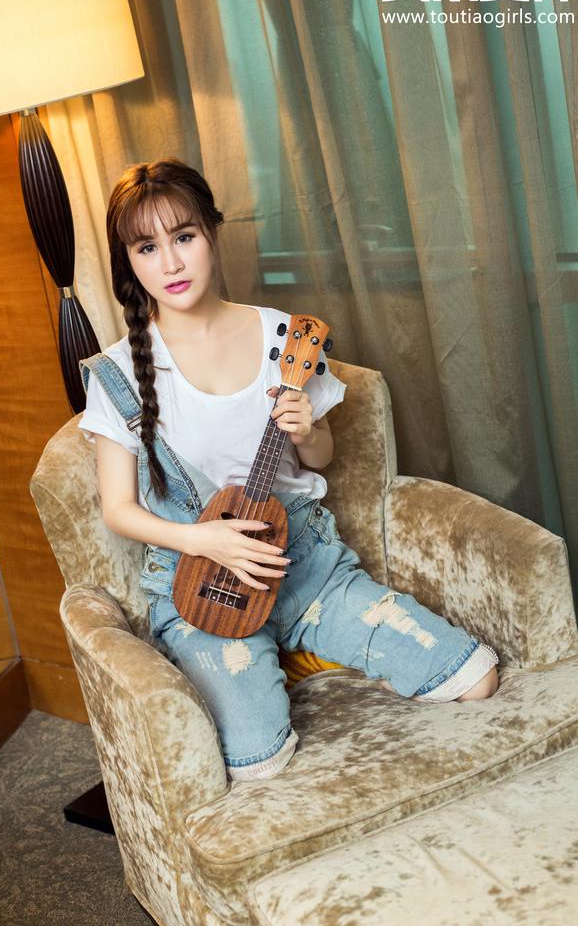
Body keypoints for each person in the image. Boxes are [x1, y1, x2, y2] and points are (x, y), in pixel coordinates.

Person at [77, 157, 499, 782]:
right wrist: (204, 539)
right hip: (203, 587)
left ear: (212, 233)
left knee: (475, 678)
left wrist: (310, 430)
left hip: (304, 566)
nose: (170, 264)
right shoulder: (117, 375)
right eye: (147, 248)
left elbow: (321, 458)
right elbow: (119, 509)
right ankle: (266, 658)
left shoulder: (283, 336)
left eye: (184, 237)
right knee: (257, 760)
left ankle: (303, 643)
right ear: (129, 262)